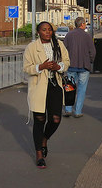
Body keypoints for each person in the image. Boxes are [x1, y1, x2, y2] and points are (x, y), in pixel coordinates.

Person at [23, 21, 70, 168]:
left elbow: (67, 61)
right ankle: (39, 154)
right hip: (39, 86)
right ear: (38, 32)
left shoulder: (58, 45)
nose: (48, 32)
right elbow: (26, 68)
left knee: (55, 119)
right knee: (39, 119)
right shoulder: (32, 47)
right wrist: (41, 66)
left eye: (49, 29)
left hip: (55, 85)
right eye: (44, 30)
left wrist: (59, 66)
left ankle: (44, 138)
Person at [63, 17, 96, 117]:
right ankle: (78, 111)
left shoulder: (69, 35)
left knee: (69, 88)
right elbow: (93, 51)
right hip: (84, 66)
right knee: (82, 89)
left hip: (71, 66)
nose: (85, 25)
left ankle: (68, 109)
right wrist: (90, 61)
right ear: (82, 24)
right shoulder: (87, 36)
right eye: (85, 23)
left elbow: (64, 50)